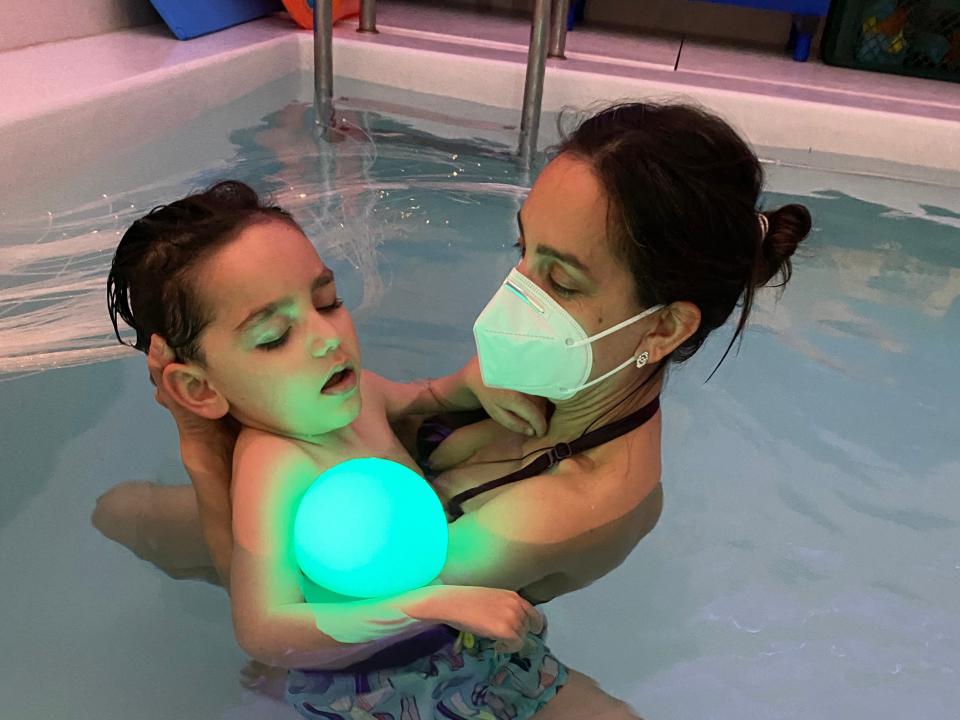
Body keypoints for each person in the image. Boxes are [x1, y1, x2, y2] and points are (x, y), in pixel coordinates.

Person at [93, 101, 813, 718]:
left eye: (557, 279)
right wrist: (464, 388)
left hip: (419, 646)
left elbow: (323, 606)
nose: (514, 294)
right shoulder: (565, 373)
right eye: (523, 248)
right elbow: (280, 607)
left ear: (661, 328)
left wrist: (201, 445)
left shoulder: (566, 506)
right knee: (118, 514)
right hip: (372, 607)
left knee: (133, 519)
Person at [104, 179, 568, 718]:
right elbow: (261, 627)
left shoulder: (357, 391)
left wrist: (470, 384)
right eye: (274, 337)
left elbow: (423, 396)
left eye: (327, 301)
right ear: (200, 389)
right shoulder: (276, 465)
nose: (327, 337)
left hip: (467, 634)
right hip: (381, 686)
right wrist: (434, 603)